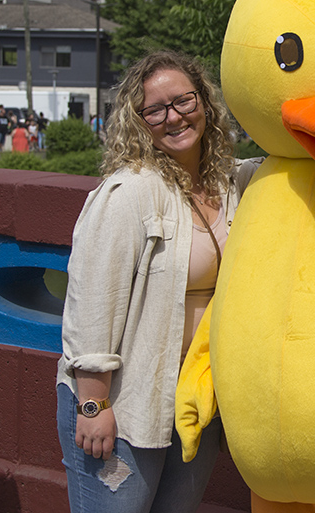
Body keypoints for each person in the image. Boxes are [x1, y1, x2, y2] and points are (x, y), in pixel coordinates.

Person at [56, 51, 262, 513]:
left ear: (205, 103)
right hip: (126, 402)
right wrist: (93, 405)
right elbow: (91, 301)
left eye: (184, 100)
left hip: (195, 397)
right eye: (156, 109)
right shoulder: (129, 192)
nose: (174, 116)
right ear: (138, 120)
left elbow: (285, 164)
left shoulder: (229, 184)